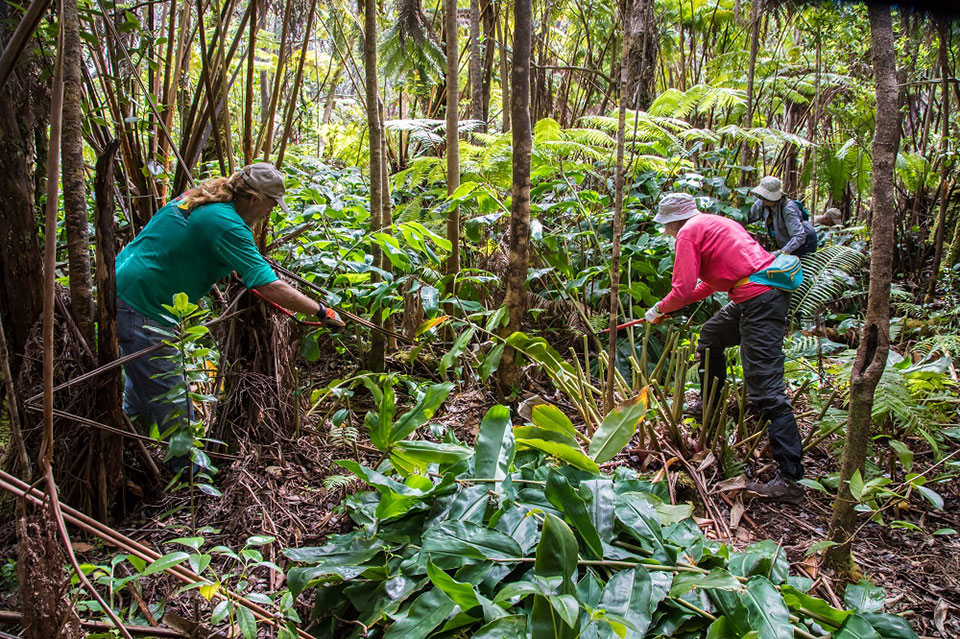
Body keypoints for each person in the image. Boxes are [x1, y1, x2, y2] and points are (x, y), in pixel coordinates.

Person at [116, 163, 343, 466]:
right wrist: (320, 310)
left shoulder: (203, 199)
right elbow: (268, 285)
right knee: (175, 407)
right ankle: (190, 485)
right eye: (270, 204)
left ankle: (127, 462)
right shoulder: (227, 224)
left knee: (142, 398)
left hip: (123, 288)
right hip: (143, 305)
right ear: (252, 199)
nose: (269, 212)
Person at [644, 193, 805, 503]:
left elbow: (680, 289)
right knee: (711, 336)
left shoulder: (688, 233)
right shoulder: (714, 222)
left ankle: (791, 480)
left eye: (666, 226)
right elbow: (706, 286)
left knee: (766, 389)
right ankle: (710, 404)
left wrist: (659, 309)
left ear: (674, 221)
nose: (667, 232)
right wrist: (668, 308)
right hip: (751, 295)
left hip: (759, 300)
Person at [749, 176, 818, 258]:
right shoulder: (763, 202)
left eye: (764, 197)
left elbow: (799, 236)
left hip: (802, 246)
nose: (761, 199)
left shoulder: (787, 208)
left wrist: (780, 253)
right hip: (784, 246)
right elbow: (748, 217)